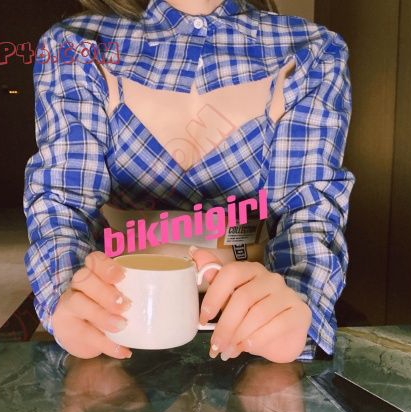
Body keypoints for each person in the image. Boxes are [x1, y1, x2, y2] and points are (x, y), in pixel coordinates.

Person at [24, 0, 354, 363]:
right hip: (118, 323)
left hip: (252, 332)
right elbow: (61, 203)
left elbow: (309, 209)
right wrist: (64, 295)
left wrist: (301, 306)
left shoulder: (312, 50)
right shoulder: (75, 44)